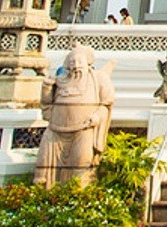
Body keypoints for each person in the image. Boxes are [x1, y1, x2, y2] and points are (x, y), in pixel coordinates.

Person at [34, 44, 115, 185]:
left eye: (79, 62)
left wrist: (96, 117)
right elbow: (47, 105)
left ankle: (78, 197)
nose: (76, 66)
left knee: (81, 165)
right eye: (72, 62)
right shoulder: (61, 81)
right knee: (43, 169)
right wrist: (46, 88)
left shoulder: (98, 80)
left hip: (83, 130)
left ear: (87, 63)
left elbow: (105, 105)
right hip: (56, 132)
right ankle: (44, 197)